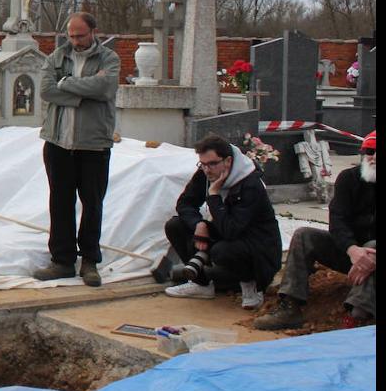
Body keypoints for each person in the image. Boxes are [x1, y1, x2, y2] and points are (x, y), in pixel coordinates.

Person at [255, 131, 376, 329]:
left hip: (373, 254)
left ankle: (357, 315)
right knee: (304, 235)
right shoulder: (348, 178)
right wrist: (352, 249)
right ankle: (290, 306)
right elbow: (337, 220)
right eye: (370, 151)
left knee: (372, 246)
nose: (374, 157)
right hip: (351, 252)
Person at [34, 11, 120, 287]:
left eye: (80, 35)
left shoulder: (109, 59)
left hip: (93, 145)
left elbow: (105, 88)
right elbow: (47, 90)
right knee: (60, 202)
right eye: (71, 35)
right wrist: (83, 95)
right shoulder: (56, 57)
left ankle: (90, 261)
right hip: (58, 142)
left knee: (92, 203)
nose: (75, 40)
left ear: (93, 32)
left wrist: (68, 85)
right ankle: (62, 260)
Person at [161, 134, 282, 308]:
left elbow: (232, 229)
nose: (207, 170)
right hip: (228, 235)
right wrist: (199, 224)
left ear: (228, 161)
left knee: (222, 250)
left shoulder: (250, 183)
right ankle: (201, 284)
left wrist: (214, 195)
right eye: (202, 164)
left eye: (212, 164)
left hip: (258, 251)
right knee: (176, 226)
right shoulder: (207, 173)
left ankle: (252, 287)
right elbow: (185, 203)